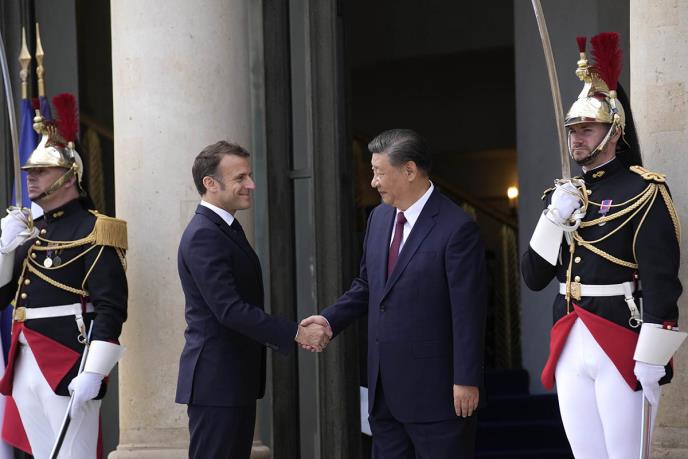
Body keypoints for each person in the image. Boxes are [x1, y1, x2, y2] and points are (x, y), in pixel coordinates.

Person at [521, 32, 681, 458]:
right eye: (573, 130)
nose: (577, 139)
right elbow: (534, 276)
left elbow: (661, 281)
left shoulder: (643, 191)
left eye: (587, 129)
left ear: (614, 132)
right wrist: (553, 218)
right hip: (570, 336)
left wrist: (653, 355)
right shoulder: (561, 196)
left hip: (621, 337)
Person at [301, 129, 488, 458]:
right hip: (384, 392)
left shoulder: (457, 228)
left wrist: (466, 379)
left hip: (438, 395)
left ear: (410, 170)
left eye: (379, 172)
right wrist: (329, 320)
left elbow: (468, 312)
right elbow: (368, 286)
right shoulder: (378, 217)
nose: (373, 182)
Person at [175, 140, 330, 459]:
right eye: (240, 178)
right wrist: (297, 332)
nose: (251, 184)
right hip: (217, 383)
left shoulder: (224, 228)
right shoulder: (205, 234)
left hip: (231, 381)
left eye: (249, 175)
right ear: (210, 183)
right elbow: (229, 309)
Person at [0, 93, 128, 458]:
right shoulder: (32, 233)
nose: (31, 178)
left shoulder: (95, 230)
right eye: (30, 172)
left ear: (70, 177)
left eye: (41, 171)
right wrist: (4, 251)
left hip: (68, 360)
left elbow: (111, 307)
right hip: (24, 360)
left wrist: (94, 371)